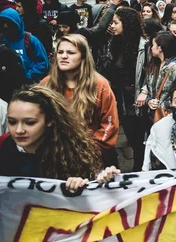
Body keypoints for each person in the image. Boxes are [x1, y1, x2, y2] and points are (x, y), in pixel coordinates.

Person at [0, 86, 102, 189]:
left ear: (49, 120)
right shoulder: (2, 146)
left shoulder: (69, 155)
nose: (19, 130)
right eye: (12, 122)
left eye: (29, 122)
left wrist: (79, 184)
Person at [40, 34, 119, 165]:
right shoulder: (46, 85)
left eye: (70, 52)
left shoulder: (100, 85)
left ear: (82, 57)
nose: (64, 56)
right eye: (60, 52)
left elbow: (109, 125)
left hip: (91, 156)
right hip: (56, 157)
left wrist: (85, 151)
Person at [100, 7, 148, 172]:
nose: (112, 26)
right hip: (120, 98)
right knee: (129, 135)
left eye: (116, 22)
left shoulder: (144, 46)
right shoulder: (114, 42)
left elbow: (149, 74)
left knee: (138, 137)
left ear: (126, 24)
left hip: (136, 100)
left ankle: (139, 167)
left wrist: (144, 91)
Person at [136, 32, 176, 124]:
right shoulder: (154, 65)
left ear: (160, 48)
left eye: (153, 45)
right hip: (152, 115)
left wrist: (164, 104)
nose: (151, 48)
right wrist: (148, 100)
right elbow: (149, 86)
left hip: (167, 116)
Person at [0, 8, 49, 83]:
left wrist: (29, 75)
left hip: (30, 83)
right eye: (3, 23)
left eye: (9, 23)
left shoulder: (30, 40)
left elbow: (43, 62)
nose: (5, 26)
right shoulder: (0, 41)